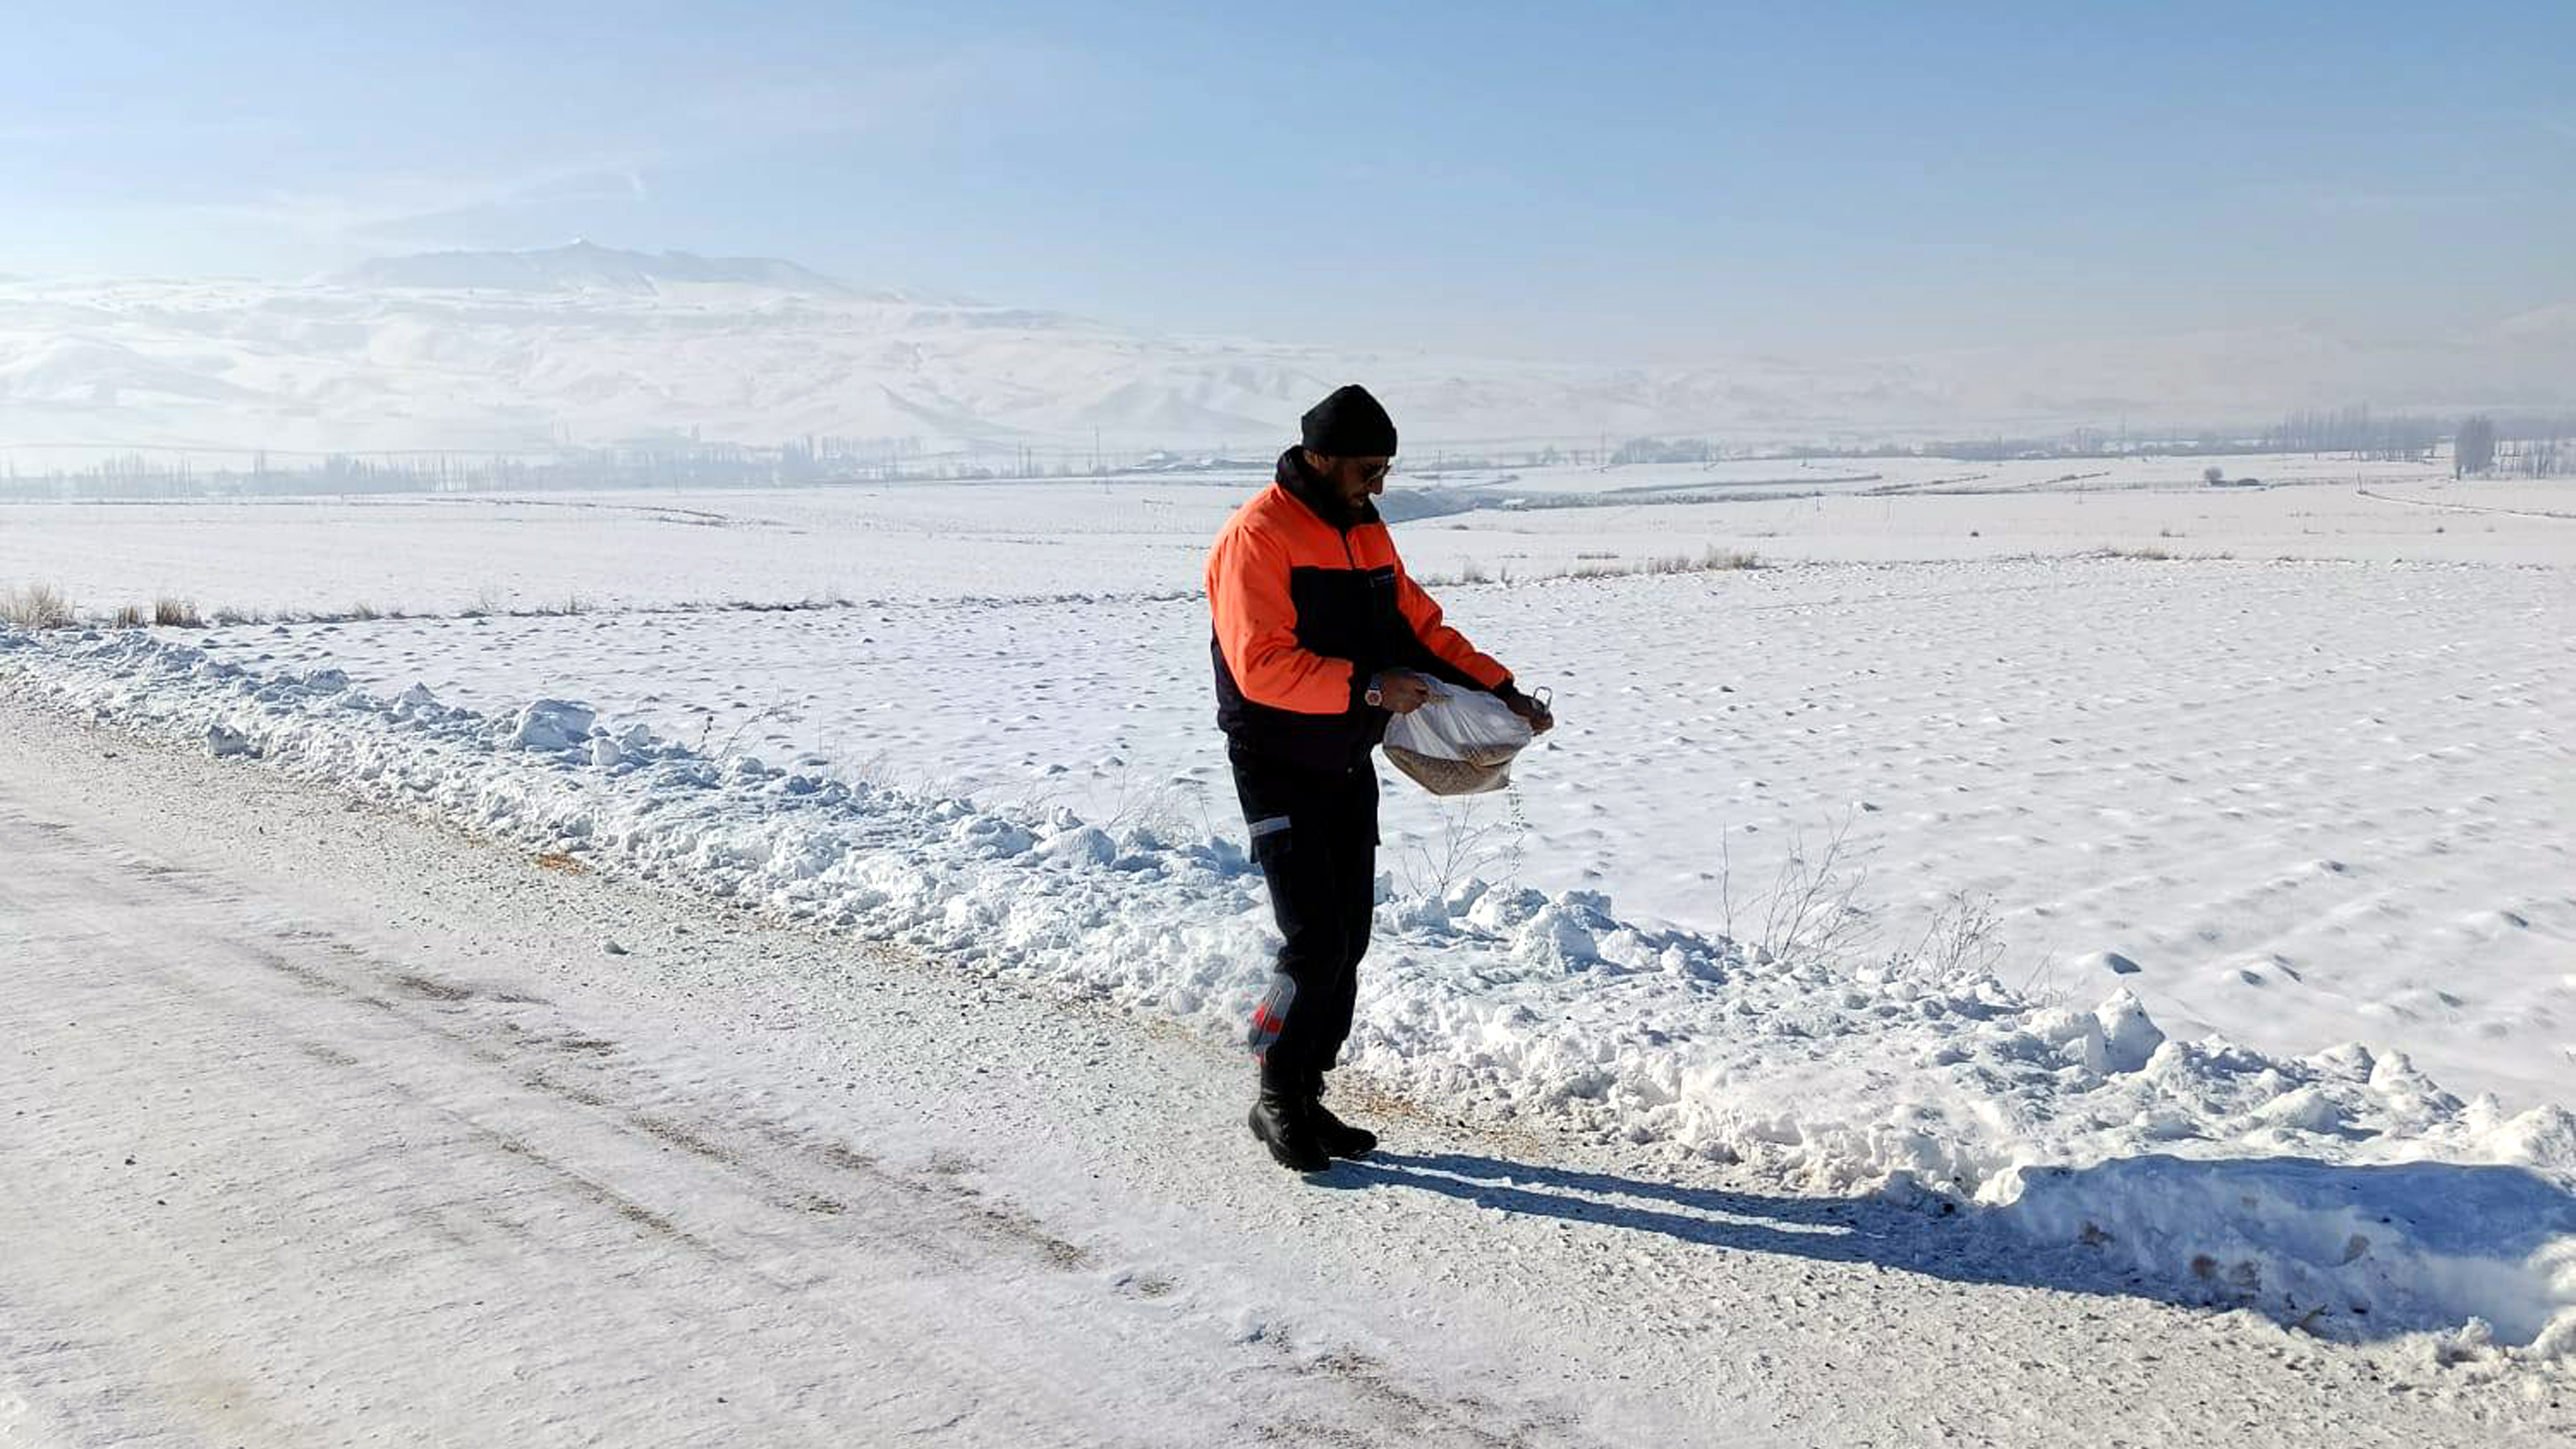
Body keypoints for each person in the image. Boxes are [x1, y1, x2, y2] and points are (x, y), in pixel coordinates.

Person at [1204, 384, 1554, 1173]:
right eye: (1369, 469)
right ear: (1320, 458)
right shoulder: (1258, 535)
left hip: (1344, 756)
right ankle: (1275, 1093)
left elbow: (1417, 628)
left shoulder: (1364, 530)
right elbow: (1261, 667)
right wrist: (1367, 689)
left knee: (1350, 937)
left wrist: (1503, 692)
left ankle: (1307, 1089)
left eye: (1387, 469)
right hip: (1275, 761)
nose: (1381, 485)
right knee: (1315, 940)